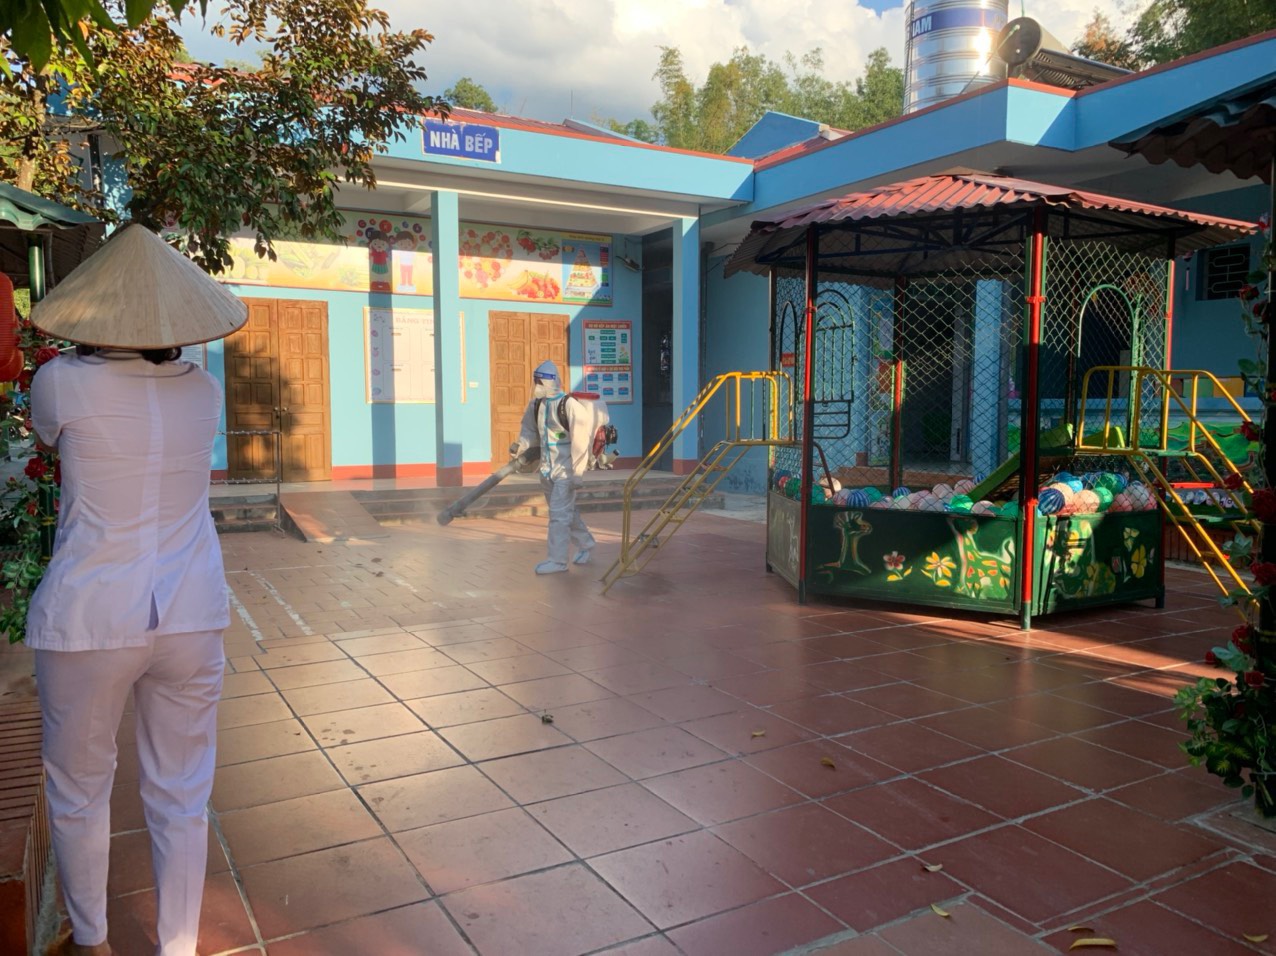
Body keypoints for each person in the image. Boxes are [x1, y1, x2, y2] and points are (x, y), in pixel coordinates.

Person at [25, 224, 247, 956]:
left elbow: (48, 438)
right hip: (190, 611)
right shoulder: (203, 388)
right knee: (183, 795)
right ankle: (178, 945)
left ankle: (92, 940)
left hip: (90, 614)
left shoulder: (60, 381)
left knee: (79, 788)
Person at [514, 360, 597, 573]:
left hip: (565, 470)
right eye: (535, 381)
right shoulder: (535, 406)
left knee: (559, 516)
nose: (537, 385)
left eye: (540, 382)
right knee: (566, 512)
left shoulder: (569, 406)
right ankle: (586, 544)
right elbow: (528, 432)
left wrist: (577, 472)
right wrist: (521, 449)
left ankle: (557, 561)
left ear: (551, 382)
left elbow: (581, 442)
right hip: (546, 469)